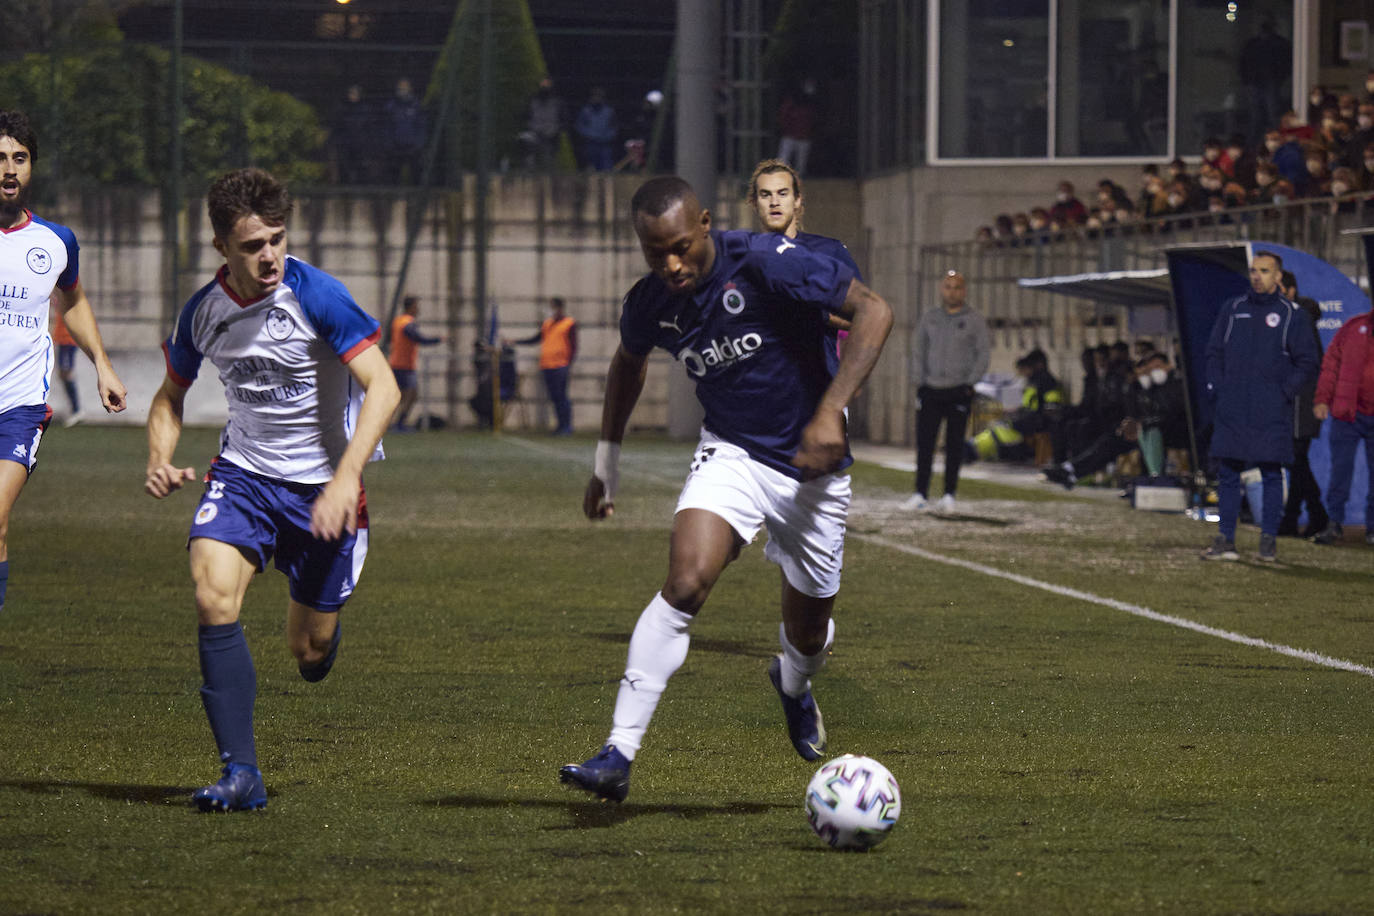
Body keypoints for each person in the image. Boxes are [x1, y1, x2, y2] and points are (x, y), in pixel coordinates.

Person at [558, 176, 893, 802]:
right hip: (731, 452)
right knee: (686, 582)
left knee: (810, 635)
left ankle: (792, 685)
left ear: (706, 223)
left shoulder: (764, 263)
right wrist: (606, 460)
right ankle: (618, 752)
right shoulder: (649, 301)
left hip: (812, 468)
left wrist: (831, 412)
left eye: (681, 247)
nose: (672, 264)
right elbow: (627, 363)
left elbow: (876, 310)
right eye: (655, 253)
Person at [144, 167, 400, 812]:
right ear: (222, 248)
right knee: (212, 594)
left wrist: (346, 479)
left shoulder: (319, 296)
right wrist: (160, 457)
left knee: (308, 652)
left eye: (277, 240)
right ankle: (242, 774)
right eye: (253, 245)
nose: (269, 257)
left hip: (324, 492)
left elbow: (385, 386)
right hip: (244, 478)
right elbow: (169, 397)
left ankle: (322, 632)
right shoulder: (203, 312)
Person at [0, 109, 127, 613]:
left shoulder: (56, 242)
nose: (9, 169)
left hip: (19, 407)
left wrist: (102, 363)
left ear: (32, 167)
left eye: (19, 158)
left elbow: (71, 301)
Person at [1200, 251, 1319, 562]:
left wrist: (1284, 392)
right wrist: (1218, 386)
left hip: (1270, 409)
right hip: (1233, 407)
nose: (1257, 276)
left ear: (1277, 276)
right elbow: (1213, 352)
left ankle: (1268, 541)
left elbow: (1308, 362)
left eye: (1264, 271)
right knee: (1227, 472)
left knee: (1271, 472)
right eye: (1253, 270)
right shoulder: (1233, 309)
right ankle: (1225, 539)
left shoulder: (1293, 315)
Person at [744, 158, 860, 354]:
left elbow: (862, 316)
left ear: (797, 200)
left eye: (782, 193)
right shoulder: (739, 259)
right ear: (755, 203)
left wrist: (815, 313)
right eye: (766, 195)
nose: (774, 202)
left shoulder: (829, 252)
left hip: (815, 380)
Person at [904, 270, 989, 514]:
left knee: (954, 445)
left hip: (958, 392)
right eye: (948, 286)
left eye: (957, 287)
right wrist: (919, 382)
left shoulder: (974, 320)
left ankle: (949, 494)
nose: (952, 291)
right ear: (942, 289)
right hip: (930, 390)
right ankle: (920, 493)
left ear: (964, 291)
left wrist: (970, 382)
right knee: (925, 444)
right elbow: (918, 350)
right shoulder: (929, 317)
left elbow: (982, 354)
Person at [1311, 303, 1374, 546]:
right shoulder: (1353, 326)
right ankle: (1334, 524)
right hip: (1348, 414)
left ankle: (1372, 529)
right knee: (1341, 471)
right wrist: (1322, 398)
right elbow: (1331, 364)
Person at [1277, 272, 1328, 538]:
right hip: (1295, 399)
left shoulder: (1299, 320)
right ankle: (1295, 518)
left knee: (1295, 458)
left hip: (1302, 400)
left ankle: (1315, 515)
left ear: (1291, 291)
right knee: (1296, 460)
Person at [508, 296, 577, 436]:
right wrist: (515, 341)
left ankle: (567, 426)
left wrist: (568, 363)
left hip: (560, 366)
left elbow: (574, 345)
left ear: (560, 308)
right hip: (547, 365)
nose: (550, 310)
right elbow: (535, 339)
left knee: (562, 396)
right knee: (555, 397)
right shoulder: (548, 324)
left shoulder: (569, 323)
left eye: (552, 307)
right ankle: (560, 425)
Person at [388, 294, 442, 432]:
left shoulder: (397, 321)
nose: (418, 309)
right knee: (410, 394)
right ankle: (397, 424)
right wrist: (438, 339)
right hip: (403, 365)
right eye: (416, 306)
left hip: (398, 363)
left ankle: (394, 423)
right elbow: (417, 338)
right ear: (411, 307)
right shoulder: (407, 323)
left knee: (403, 395)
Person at [384, 77, 426, 184]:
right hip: (396, 146)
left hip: (412, 147)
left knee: (416, 173)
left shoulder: (416, 105)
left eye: (405, 87)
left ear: (410, 88)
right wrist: (390, 143)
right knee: (394, 175)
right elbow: (388, 126)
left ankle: (416, 196)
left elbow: (421, 126)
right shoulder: (391, 106)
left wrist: (418, 144)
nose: (402, 89)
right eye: (400, 87)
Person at [777, 78, 820, 177]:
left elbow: (815, 120)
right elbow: (783, 116)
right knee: (782, 162)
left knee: (800, 166)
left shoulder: (812, 104)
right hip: (790, 135)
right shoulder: (791, 102)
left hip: (804, 137)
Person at [330, 84, 371, 185]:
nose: (353, 96)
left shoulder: (365, 109)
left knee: (361, 169)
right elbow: (337, 127)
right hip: (345, 144)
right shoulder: (342, 109)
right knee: (344, 168)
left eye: (355, 93)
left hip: (360, 144)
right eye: (351, 93)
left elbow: (369, 128)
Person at [573, 87, 618, 173]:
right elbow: (579, 126)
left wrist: (608, 136)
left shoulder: (609, 111)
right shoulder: (586, 111)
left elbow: (614, 126)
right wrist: (589, 134)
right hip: (591, 143)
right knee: (591, 169)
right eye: (594, 96)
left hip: (605, 143)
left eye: (599, 96)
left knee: (606, 169)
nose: (596, 98)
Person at [50, 309, 82, 426]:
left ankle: (77, 410)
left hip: (67, 341)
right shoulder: (61, 298)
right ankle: (75, 409)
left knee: (66, 373)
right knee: (63, 374)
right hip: (63, 340)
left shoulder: (70, 298)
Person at [526, 77, 564, 172]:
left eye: (547, 85)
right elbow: (527, 115)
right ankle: (530, 172)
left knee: (549, 157)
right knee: (527, 145)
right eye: (543, 85)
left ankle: (549, 173)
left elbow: (562, 118)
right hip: (535, 132)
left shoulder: (557, 102)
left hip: (552, 134)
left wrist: (556, 129)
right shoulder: (533, 100)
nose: (544, 87)